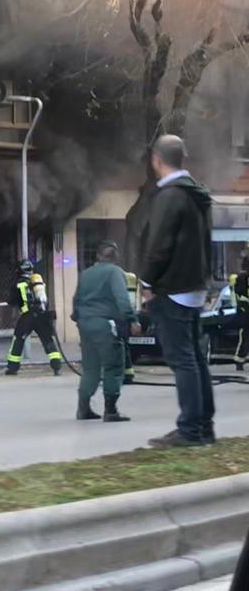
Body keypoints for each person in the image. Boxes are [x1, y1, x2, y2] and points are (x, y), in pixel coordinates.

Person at [140, 134, 215, 448]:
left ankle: (189, 431)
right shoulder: (197, 195)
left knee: (183, 360)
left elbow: (159, 246)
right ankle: (203, 426)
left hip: (172, 287)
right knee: (195, 358)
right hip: (194, 286)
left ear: (157, 159)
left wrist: (146, 282)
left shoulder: (170, 197)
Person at [72, 240, 139, 422]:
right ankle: (110, 410)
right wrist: (132, 319)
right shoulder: (115, 273)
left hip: (85, 324)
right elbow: (122, 299)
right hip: (106, 324)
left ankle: (83, 409)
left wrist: (79, 318)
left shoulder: (85, 274)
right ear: (116, 256)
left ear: (98, 256)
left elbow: (76, 299)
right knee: (114, 365)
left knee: (91, 368)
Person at [5, 260, 63, 376]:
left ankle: (13, 367)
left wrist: (11, 301)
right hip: (42, 315)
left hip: (28, 317)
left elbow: (12, 301)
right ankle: (57, 366)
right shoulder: (37, 282)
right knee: (47, 340)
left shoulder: (17, 284)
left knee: (18, 340)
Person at [231, 255, 249, 371]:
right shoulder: (241, 278)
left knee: (245, 337)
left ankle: (239, 360)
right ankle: (239, 360)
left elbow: (235, 298)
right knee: (245, 337)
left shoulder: (237, 278)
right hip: (245, 312)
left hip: (243, 312)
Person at [122, 270, 140, 384]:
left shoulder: (117, 277)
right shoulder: (129, 278)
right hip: (127, 316)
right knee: (124, 345)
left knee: (121, 345)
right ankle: (128, 374)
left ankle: (125, 373)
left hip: (119, 316)